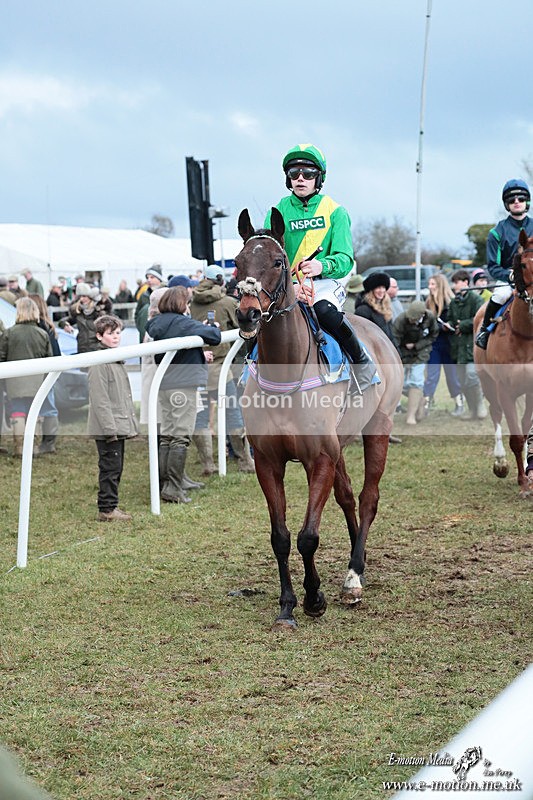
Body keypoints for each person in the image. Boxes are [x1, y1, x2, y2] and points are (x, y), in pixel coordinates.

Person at [264, 143, 375, 392]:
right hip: (288, 284)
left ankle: (361, 362)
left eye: (308, 173)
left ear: (319, 178)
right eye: (294, 174)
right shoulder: (278, 210)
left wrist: (321, 265)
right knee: (261, 318)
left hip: (326, 282)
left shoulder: (336, 212)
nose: (300, 179)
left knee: (324, 312)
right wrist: (292, 286)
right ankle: (250, 371)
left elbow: (346, 260)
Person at [145, 286, 221, 504]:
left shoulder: (155, 322)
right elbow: (214, 336)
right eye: (186, 304)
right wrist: (209, 327)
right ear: (181, 304)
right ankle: (173, 487)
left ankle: (168, 482)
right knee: (180, 435)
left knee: (169, 434)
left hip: (165, 384)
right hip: (183, 385)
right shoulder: (182, 323)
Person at [189, 264, 255, 474]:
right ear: (220, 279)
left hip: (197, 367)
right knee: (232, 412)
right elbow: (246, 328)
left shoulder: (191, 302)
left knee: (200, 416)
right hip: (222, 368)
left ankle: (208, 464)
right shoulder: (227, 303)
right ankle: (245, 461)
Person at [87, 315, 138, 522]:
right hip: (109, 427)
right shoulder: (100, 362)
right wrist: (110, 429)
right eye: (110, 333)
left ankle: (111, 505)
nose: (116, 337)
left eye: (118, 333)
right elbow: (100, 399)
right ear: (99, 336)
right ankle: (107, 508)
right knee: (110, 467)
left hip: (117, 424)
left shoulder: (116, 359)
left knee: (116, 466)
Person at [475, 179, 533, 349]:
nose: (516, 202)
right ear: (506, 204)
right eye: (511, 200)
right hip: (510, 278)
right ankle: (485, 330)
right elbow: (493, 266)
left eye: (521, 199)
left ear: (526, 201)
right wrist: (510, 276)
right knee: (500, 296)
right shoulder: (496, 233)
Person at [0, 297, 53, 456]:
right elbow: (49, 359)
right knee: (34, 412)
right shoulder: (42, 334)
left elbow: (2, 357)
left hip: (14, 381)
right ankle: (34, 448)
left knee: (18, 411)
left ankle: (19, 448)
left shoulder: (9, 333)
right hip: (36, 381)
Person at [423, 273, 464, 417]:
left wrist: (449, 326)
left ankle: (459, 404)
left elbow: (456, 322)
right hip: (434, 344)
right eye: (429, 284)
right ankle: (425, 405)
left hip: (449, 344)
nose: (430, 287)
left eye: (433, 284)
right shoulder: (428, 302)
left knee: (452, 377)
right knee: (432, 376)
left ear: (440, 286)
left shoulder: (452, 302)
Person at [448, 269, 487, 420]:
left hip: (472, 346)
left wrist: (462, 325)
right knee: (463, 382)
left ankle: (480, 406)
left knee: (472, 377)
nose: (454, 285)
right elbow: (451, 318)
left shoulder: (476, 300)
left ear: (465, 282)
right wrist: (450, 325)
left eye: (456, 282)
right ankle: (472, 411)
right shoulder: (454, 301)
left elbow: (479, 320)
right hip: (458, 348)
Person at [393, 300, 439, 425]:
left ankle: (410, 416)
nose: (412, 321)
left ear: (422, 315)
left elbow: (433, 335)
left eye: (414, 319)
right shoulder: (401, 320)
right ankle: (421, 400)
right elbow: (394, 339)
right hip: (403, 352)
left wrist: (417, 345)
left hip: (421, 352)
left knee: (416, 380)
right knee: (399, 383)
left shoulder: (429, 317)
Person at [29, 294, 61, 454]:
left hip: (44, 372)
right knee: (48, 406)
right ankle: (48, 442)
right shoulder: (48, 326)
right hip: (49, 371)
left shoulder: (40, 327)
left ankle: (48, 443)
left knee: (48, 407)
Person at [58, 282, 112, 353]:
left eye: (84, 296)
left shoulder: (100, 313)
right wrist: (65, 325)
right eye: (80, 296)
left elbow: (118, 324)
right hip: (82, 349)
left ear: (91, 297)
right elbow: (63, 321)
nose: (81, 299)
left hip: (98, 350)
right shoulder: (78, 312)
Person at [354, 272, 396, 344]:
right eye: (378, 287)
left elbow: (391, 336)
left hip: (388, 350)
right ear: (371, 290)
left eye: (383, 287)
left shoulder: (385, 307)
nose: (381, 291)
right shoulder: (363, 310)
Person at [135, 265, 165, 341]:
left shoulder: (166, 293)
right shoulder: (144, 296)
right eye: (147, 278)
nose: (149, 280)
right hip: (146, 335)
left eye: (152, 277)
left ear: (159, 279)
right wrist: (142, 329)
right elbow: (137, 314)